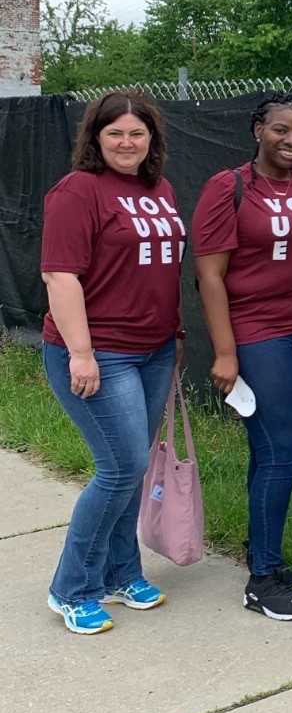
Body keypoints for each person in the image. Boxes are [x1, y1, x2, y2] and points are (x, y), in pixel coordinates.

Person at [41, 93, 186, 635]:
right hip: (100, 354)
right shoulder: (78, 191)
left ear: (152, 138)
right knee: (121, 468)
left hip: (154, 350)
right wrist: (81, 352)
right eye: (115, 134)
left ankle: (121, 573)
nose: (127, 143)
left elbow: (157, 266)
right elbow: (60, 276)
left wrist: (172, 331)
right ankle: (72, 587)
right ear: (96, 138)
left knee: (135, 466)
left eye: (137, 133)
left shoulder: (159, 189)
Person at [193, 95, 292, 622]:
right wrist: (226, 352)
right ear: (258, 130)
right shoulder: (227, 187)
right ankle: (262, 580)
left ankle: (262, 551)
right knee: (282, 447)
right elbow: (209, 274)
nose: (291, 141)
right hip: (258, 332)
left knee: (271, 445)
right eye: (280, 130)